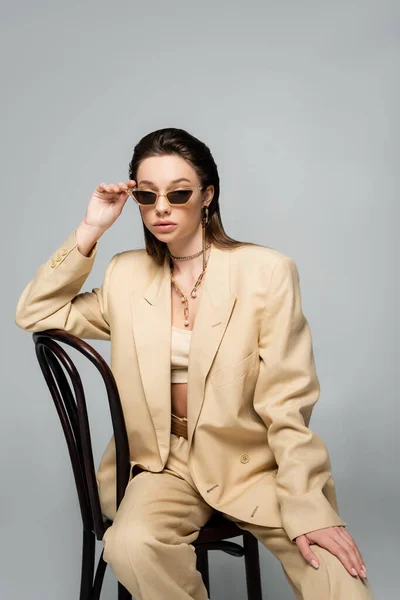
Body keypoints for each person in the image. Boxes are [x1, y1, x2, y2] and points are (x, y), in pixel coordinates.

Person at [15, 127, 374, 599]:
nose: (161, 208)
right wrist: (91, 228)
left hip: (253, 464)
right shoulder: (126, 275)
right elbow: (36, 312)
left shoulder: (266, 272)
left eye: (178, 193)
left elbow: (288, 403)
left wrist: (308, 504)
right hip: (164, 467)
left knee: (335, 572)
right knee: (131, 544)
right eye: (147, 196)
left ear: (207, 195)